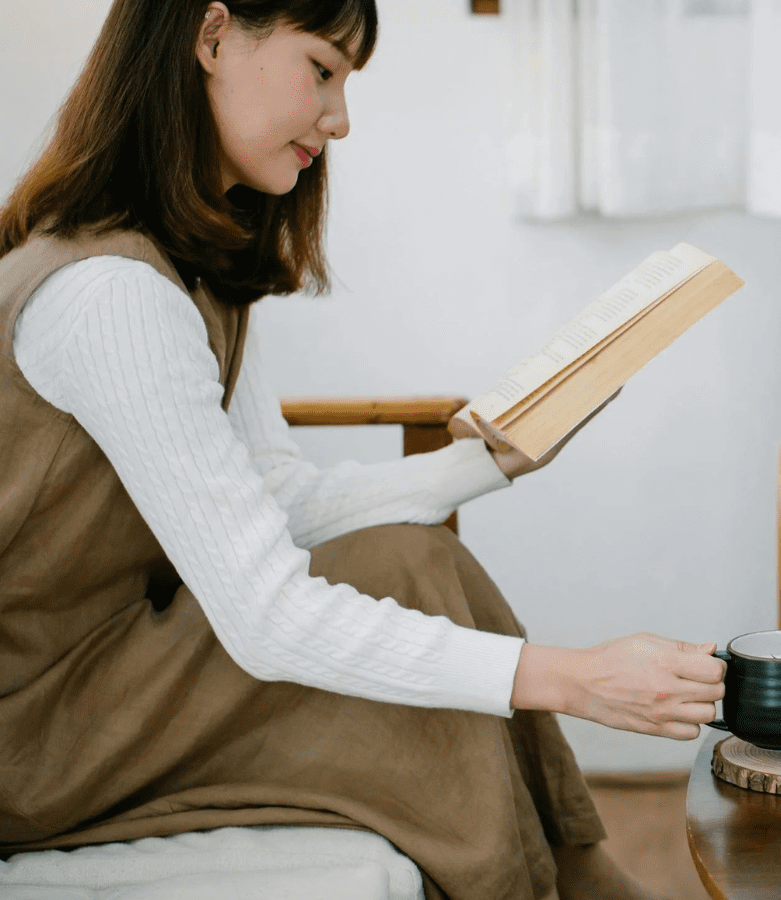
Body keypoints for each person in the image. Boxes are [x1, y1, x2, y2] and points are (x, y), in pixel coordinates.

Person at [0, 2, 726, 899]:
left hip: (123, 673)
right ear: (213, 35)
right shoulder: (111, 296)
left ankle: (571, 872)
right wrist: (573, 681)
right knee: (411, 597)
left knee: (411, 557)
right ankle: (564, 880)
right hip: (39, 735)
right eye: (322, 70)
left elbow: (275, 503)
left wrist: (488, 463)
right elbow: (264, 614)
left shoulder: (184, 269)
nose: (340, 119)